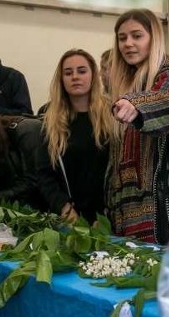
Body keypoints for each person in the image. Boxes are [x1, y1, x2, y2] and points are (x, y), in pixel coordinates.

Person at [107, 9, 169, 243]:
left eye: (137, 36)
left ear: (153, 38)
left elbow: (166, 99)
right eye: (122, 38)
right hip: (126, 209)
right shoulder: (123, 84)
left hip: (164, 208)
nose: (128, 43)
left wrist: (134, 105)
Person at [42, 49, 115, 224]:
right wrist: (64, 207)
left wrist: (107, 214)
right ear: (61, 79)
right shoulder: (49, 116)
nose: (75, 76)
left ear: (93, 75)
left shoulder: (112, 112)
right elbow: (44, 173)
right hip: (69, 217)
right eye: (68, 73)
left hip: (109, 216)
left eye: (82, 71)